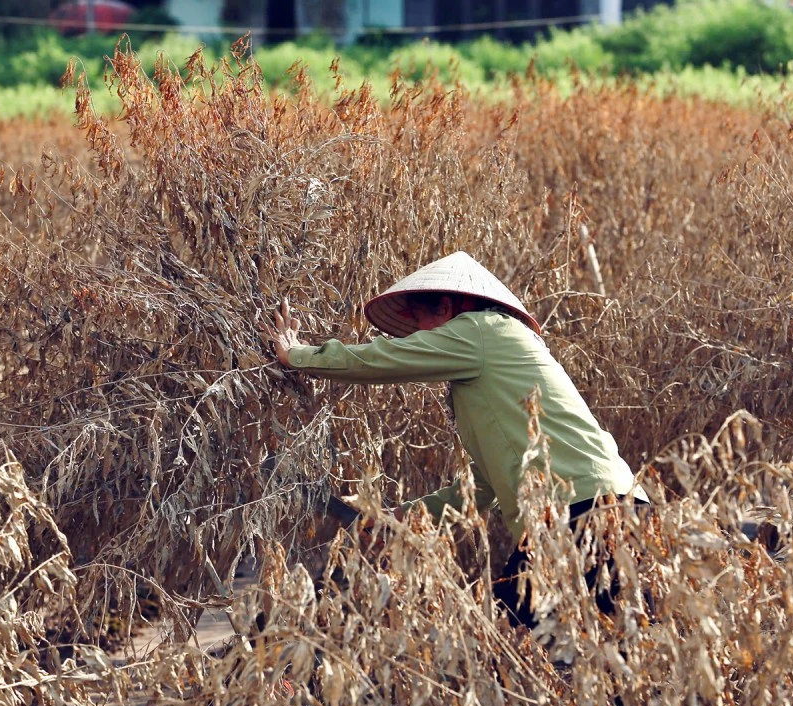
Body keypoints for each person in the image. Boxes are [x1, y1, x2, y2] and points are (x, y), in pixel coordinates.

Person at [261, 251, 647, 628]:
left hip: (581, 515)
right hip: (619, 511)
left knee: (509, 647)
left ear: (445, 307)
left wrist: (297, 355)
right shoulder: (493, 370)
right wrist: (401, 518)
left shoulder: (481, 330)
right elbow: (479, 489)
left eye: (420, 326)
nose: (421, 339)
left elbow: (383, 359)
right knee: (618, 660)